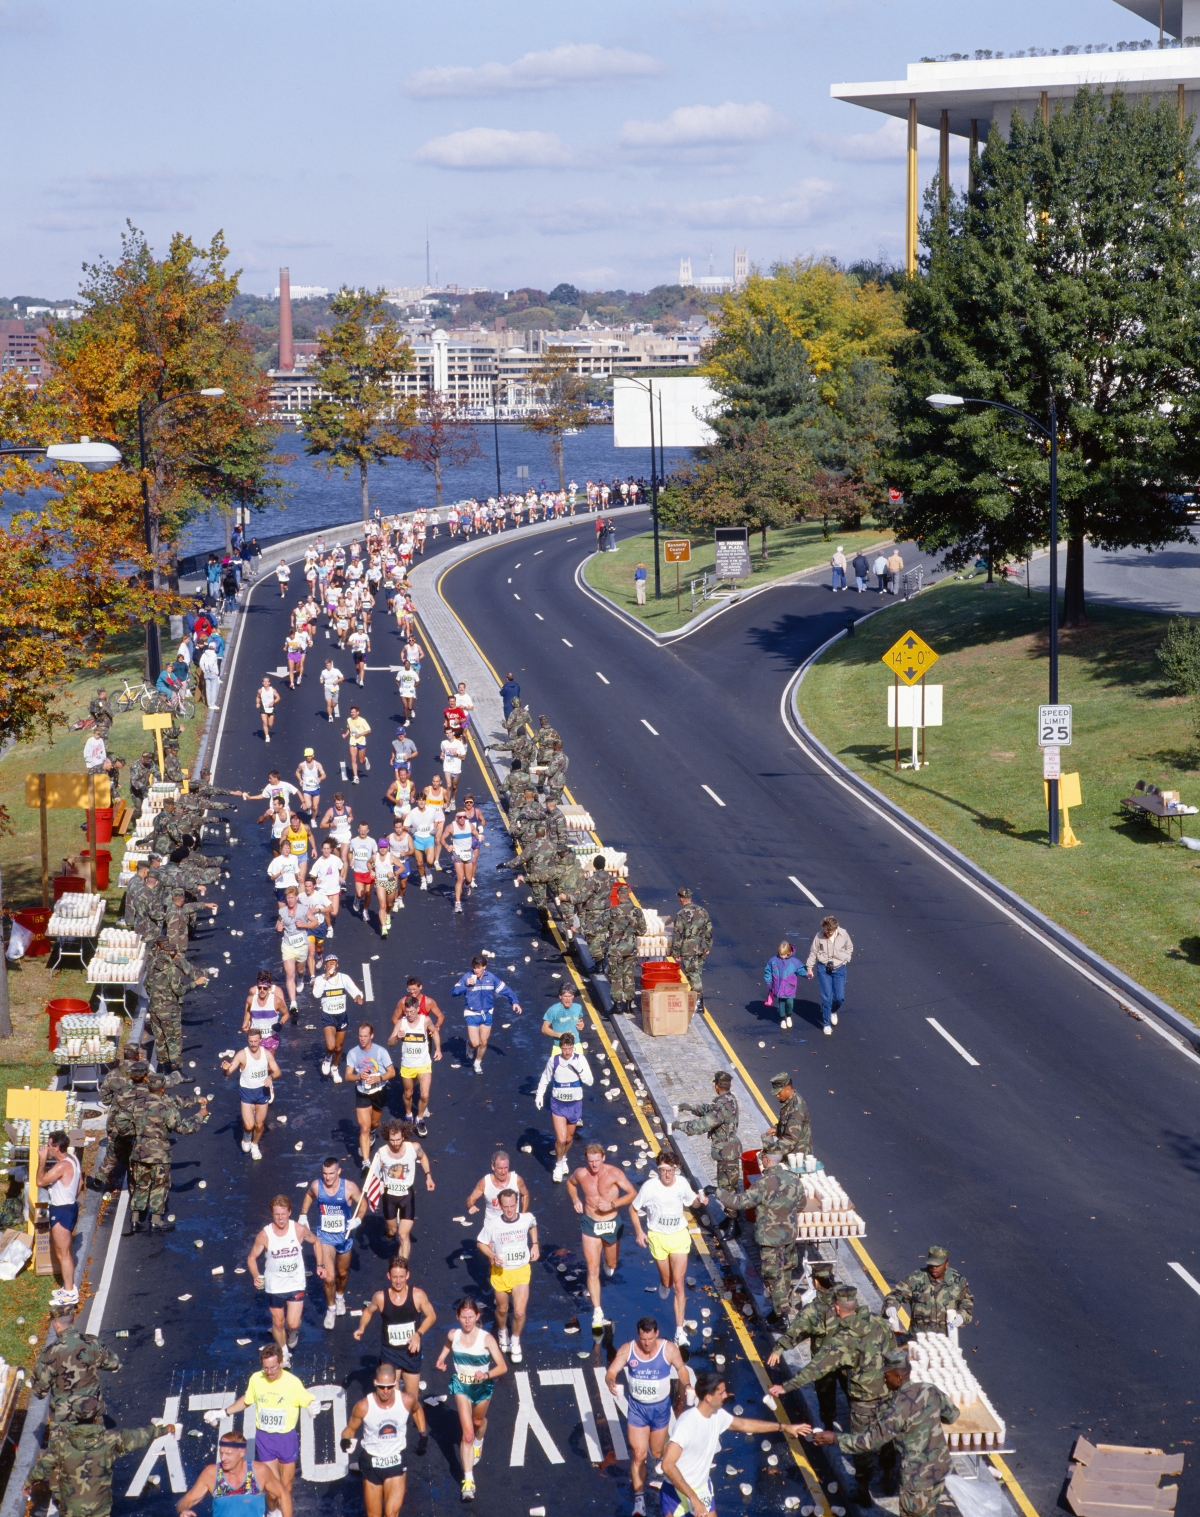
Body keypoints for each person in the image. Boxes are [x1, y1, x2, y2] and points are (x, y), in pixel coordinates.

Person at [770, 1284, 897, 1505]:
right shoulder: (879, 1324)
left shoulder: (843, 1338)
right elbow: (894, 1356)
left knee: (861, 1445)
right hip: (886, 1394)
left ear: (837, 1307)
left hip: (863, 1400)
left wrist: (786, 1386)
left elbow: (816, 1368)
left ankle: (864, 1490)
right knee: (887, 1437)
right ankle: (889, 1477)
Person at [812, 1346, 959, 1515]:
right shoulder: (929, 1389)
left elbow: (871, 1441)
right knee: (930, 1511)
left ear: (898, 1376)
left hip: (916, 1478)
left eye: (886, 1375)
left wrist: (835, 1438)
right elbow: (952, 1415)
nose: (883, 1379)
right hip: (940, 1468)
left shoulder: (897, 1409)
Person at [661, 1370, 810, 1517]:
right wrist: (693, 1498)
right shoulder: (687, 1423)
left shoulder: (717, 1416)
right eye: (721, 1393)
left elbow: (745, 1425)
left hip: (702, 1489)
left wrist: (784, 1427)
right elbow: (667, 1465)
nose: (726, 1396)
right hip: (677, 1492)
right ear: (708, 1397)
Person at [606, 1318, 692, 1517]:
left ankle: (668, 1461)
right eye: (644, 1339)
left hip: (660, 1410)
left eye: (651, 1338)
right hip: (637, 1410)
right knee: (638, 1455)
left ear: (657, 1333)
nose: (647, 1344)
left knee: (656, 1451)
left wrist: (687, 1385)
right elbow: (611, 1371)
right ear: (638, 1334)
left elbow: (681, 1369)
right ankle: (639, 1501)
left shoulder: (668, 1349)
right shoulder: (628, 1350)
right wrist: (611, 1382)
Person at [29, 1403, 176, 1517]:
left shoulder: (61, 1444)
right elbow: (138, 1437)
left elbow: (43, 1466)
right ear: (95, 1419)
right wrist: (162, 1430)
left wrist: (28, 1482)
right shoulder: (109, 1439)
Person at [354, 1257, 435, 1456]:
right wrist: (361, 1328)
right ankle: (393, 1435)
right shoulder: (381, 1297)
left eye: (402, 1277)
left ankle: (423, 1435)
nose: (398, 1281)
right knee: (389, 1396)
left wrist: (418, 1334)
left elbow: (431, 1316)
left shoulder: (417, 1295)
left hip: (410, 1353)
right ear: (388, 1276)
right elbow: (368, 1312)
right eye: (394, 1277)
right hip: (389, 1354)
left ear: (407, 1275)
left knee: (412, 1399)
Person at [719, 1139, 804, 1321]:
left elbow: (740, 1202)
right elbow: (801, 1204)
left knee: (773, 1277)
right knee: (787, 1270)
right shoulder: (794, 1179)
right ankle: (783, 1306)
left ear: (766, 1160)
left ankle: (781, 1317)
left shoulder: (764, 1183)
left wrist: (718, 1193)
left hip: (770, 1239)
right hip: (789, 1235)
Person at [435, 1296, 507, 1503]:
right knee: (467, 1435)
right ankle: (468, 1480)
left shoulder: (486, 1339)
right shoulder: (453, 1334)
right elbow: (448, 1345)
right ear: (458, 1317)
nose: (467, 1321)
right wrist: (441, 1359)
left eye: (471, 1317)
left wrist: (486, 1375)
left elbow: (502, 1366)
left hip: (483, 1387)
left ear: (477, 1316)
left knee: (478, 1423)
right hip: (461, 1386)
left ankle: (480, 1439)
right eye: (463, 1317)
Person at [218, 1343, 315, 1496]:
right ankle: (272, 1512)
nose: (269, 1372)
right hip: (265, 1439)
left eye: (273, 1368)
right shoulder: (256, 1379)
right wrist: (225, 1413)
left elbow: (307, 1399)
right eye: (265, 1368)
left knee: (286, 1486)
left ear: (281, 1363)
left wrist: (312, 1406)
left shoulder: (293, 1382)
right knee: (272, 1487)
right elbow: (247, 1400)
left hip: (286, 1440)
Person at [567, 1140, 639, 1328]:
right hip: (590, 1224)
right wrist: (575, 1199)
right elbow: (570, 1183)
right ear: (586, 1160)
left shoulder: (614, 1173)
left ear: (603, 1158)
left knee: (611, 1263)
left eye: (597, 1161)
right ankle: (597, 1312)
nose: (594, 1165)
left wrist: (612, 1204)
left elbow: (632, 1193)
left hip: (610, 1223)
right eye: (591, 1161)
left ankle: (610, 1263)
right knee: (592, 1268)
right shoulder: (581, 1174)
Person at [631, 1150, 698, 1345]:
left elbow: (691, 1201)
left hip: (679, 1236)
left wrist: (700, 1200)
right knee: (668, 1282)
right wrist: (639, 1232)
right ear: (658, 1170)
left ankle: (679, 1332)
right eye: (663, 1170)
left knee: (679, 1284)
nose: (667, 1175)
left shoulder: (682, 1183)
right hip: (657, 1237)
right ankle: (663, 1283)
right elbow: (633, 1209)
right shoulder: (650, 1187)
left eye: (671, 1170)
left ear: (675, 1170)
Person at [247, 1199, 319, 1366]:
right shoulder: (264, 1235)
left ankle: (293, 1332)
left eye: (283, 1214)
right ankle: (284, 1353)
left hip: (295, 1283)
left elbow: (316, 1242)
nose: (280, 1218)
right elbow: (251, 1258)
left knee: (292, 1323)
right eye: (276, 1214)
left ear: (289, 1212)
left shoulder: (298, 1230)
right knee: (278, 1322)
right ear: (272, 1214)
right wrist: (256, 1276)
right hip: (275, 1286)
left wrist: (320, 1264)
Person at [340, 1361, 416, 1516]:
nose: (386, 1391)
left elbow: (418, 1410)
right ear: (374, 1383)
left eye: (390, 1387)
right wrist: (345, 1441)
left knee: (391, 1513)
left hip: (395, 1460)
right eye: (382, 1386)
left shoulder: (406, 1400)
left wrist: (423, 1435)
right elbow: (349, 1430)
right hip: (372, 1463)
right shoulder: (363, 1406)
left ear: (395, 1383)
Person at [31, 1301, 121, 1427]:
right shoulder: (93, 1342)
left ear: (56, 1324)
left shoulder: (50, 1353)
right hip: (93, 1413)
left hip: (65, 1420)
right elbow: (114, 1363)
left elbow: (39, 1390)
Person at [300, 1156, 363, 1330]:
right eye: (324, 1173)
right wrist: (303, 1214)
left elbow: (363, 1203)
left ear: (339, 1171)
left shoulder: (348, 1187)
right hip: (325, 1237)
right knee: (329, 1277)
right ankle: (331, 1309)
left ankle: (340, 1296)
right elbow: (309, 1195)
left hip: (344, 1236)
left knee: (342, 1273)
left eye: (331, 1174)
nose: (327, 1177)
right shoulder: (317, 1186)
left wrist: (357, 1219)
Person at [476, 1188, 538, 1364]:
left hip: (520, 1271)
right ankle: (503, 1331)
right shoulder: (493, 1224)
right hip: (501, 1273)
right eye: (506, 1207)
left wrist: (535, 1244)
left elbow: (533, 1225)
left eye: (512, 1206)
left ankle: (516, 1340)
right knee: (502, 1309)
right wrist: (492, 1256)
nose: (510, 1210)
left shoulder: (526, 1218)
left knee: (519, 1312)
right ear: (500, 1206)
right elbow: (480, 1243)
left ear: (517, 1203)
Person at [177, 1430, 290, 1517]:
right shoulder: (211, 1474)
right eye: (221, 1453)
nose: (223, 1458)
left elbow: (283, 1494)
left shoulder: (259, 1471)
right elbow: (186, 1500)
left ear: (242, 1453)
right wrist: (183, 1510)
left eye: (229, 1454)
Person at [372, 1119, 435, 1260]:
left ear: (404, 1136)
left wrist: (428, 1176)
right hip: (389, 1197)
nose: (395, 1143)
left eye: (398, 1139)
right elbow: (374, 1175)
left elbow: (423, 1157)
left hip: (407, 1196)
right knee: (392, 1230)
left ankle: (403, 1266)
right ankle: (388, 1232)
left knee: (403, 1235)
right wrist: (375, 1193)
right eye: (392, 1140)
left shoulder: (414, 1148)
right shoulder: (382, 1153)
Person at [535, 1031, 593, 1182]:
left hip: (574, 1104)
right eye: (564, 1048)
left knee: (568, 1138)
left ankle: (564, 1157)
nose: (567, 1052)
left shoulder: (580, 1059)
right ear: (560, 1047)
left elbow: (590, 1081)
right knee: (560, 1139)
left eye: (570, 1048)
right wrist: (540, 1094)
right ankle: (559, 1165)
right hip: (558, 1104)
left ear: (574, 1047)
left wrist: (579, 1069)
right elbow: (545, 1078)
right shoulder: (553, 1061)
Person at [673, 1071, 742, 1197]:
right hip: (730, 1149)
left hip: (726, 1151)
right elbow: (710, 1109)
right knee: (729, 1185)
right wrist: (691, 1108)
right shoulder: (729, 1100)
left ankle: (732, 1216)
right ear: (730, 1086)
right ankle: (732, 1214)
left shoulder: (722, 1105)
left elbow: (703, 1124)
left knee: (726, 1188)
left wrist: (680, 1126)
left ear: (716, 1086)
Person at [451, 955, 522, 1074]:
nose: (476, 970)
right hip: (472, 1013)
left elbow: (506, 990)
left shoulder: (492, 978)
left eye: (478, 967)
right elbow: (454, 992)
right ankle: (469, 1045)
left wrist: (514, 1002)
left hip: (487, 1013)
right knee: (475, 1042)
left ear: (484, 966)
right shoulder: (467, 977)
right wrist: (465, 985)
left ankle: (477, 1062)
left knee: (483, 1042)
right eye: (474, 967)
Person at [884, 1246, 974, 1338]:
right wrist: (892, 1306)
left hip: (946, 1339)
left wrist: (962, 1316)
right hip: (918, 1338)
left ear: (946, 1264)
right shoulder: (915, 1279)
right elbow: (895, 1296)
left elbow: (966, 1301)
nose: (934, 1269)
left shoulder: (957, 1281)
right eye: (931, 1265)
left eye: (938, 1266)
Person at [222, 1028, 281, 1160]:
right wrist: (225, 1070)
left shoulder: (266, 1054)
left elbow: (277, 1071)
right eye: (251, 1041)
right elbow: (229, 1071)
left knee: (259, 1124)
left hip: (262, 1092)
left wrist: (270, 1077)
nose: (253, 1044)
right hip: (247, 1093)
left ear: (260, 1040)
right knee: (249, 1125)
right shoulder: (242, 1055)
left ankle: (255, 1145)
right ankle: (247, 1136)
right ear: (247, 1040)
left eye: (256, 1041)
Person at [36, 1132, 81, 1306]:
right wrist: (70, 1197)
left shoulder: (62, 1166)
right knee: (65, 1251)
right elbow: (80, 1183)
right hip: (69, 1207)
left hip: (61, 1210)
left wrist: (42, 1160)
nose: (47, 1148)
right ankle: (67, 1287)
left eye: (49, 1145)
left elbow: (40, 1181)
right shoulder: (73, 1159)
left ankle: (69, 1292)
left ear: (56, 1147)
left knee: (63, 1253)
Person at [345, 1021, 396, 1170]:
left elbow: (391, 1072)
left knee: (373, 1124)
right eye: (360, 1036)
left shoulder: (381, 1052)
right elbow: (348, 1076)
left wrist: (378, 1078)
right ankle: (366, 1162)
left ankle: (373, 1132)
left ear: (371, 1036)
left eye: (365, 1036)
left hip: (379, 1092)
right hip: (362, 1094)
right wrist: (359, 1076)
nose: (362, 1039)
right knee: (364, 1128)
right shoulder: (353, 1053)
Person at [388, 993, 441, 1134]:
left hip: (423, 1064)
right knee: (408, 1093)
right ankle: (409, 1115)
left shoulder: (425, 1021)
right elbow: (390, 1042)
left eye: (412, 1012)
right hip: (407, 1065)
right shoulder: (401, 1023)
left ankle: (419, 1119)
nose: (409, 1015)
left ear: (417, 1009)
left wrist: (438, 1050)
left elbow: (435, 1032)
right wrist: (396, 1038)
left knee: (424, 1095)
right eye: (407, 1012)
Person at [313, 952, 364, 1080]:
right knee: (331, 1046)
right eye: (329, 962)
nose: (331, 964)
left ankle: (335, 1069)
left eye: (334, 962)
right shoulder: (320, 979)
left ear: (337, 965)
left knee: (338, 1047)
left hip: (341, 1016)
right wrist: (325, 977)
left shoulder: (344, 978)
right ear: (325, 966)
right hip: (328, 1016)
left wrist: (358, 996)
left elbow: (355, 990)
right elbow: (316, 994)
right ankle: (327, 1058)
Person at [805, 915, 854, 1036]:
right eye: (825, 932)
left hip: (839, 969)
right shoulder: (819, 936)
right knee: (826, 997)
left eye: (830, 932)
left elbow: (849, 948)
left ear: (835, 929)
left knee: (839, 998)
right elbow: (813, 952)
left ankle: (833, 1011)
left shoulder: (843, 934)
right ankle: (826, 1024)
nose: (827, 934)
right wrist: (809, 968)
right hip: (823, 969)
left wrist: (846, 959)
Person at [672, 888, 712, 1006]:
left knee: (692, 974)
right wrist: (708, 945)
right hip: (701, 947)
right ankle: (695, 996)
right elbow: (708, 930)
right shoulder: (702, 911)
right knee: (697, 973)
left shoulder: (681, 915)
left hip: (688, 949)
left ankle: (699, 1002)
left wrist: (676, 952)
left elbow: (678, 935)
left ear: (681, 899)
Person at [465, 1150, 530, 1218]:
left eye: (506, 1168)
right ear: (493, 1167)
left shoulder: (516, 1180)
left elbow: (525, 1194)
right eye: (500, 1168)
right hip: (492, 1225)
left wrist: (523, 1215)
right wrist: (471, 1206)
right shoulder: (485, 1182)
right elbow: (470, 1199)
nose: (503, 1172)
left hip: (512, 1225)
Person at [765, 1070, 812, 1161]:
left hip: (797, 1158)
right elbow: (786, 1123)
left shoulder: (797, 1110)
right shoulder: (789, 1102)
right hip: (790, 1154)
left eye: (779, 1093)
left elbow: (790, 1140)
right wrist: (777, 1129)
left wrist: (770, 1150)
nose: (777, 1096)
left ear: (788, 1089)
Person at [763, 940, 805, 1030]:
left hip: (790, 988)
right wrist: (769, 982)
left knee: (790, 1002)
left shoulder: (795, 961)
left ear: (789, 952)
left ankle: (788, 1016)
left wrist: (806, 974)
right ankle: (782, 1019)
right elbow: (768, 971)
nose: (782, 956)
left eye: (784, 954)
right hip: (778, 987)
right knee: (781, 1003)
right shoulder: (773, 961)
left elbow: (801, 969)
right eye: (780, 954)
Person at [540, 984, 584, 1048]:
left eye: (570, 996)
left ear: (573, 996)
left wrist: (581, 1024)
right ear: (560, 996)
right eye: (565, 996)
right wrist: (561, 1035)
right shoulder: (553, 1010)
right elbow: (544, 1029)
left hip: (576, 1044)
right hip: (560, 1046)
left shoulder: (578, 1007)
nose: (568, 999)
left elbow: (579, 1019)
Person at [343, 705, 371, 784]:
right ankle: (356, 777)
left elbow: (369, 730)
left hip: (361, 741)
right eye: (351, 712)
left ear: (357, 712)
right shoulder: (349, 720)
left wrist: (360, 734)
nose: (352, 713)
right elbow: (349, 728)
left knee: (361, 760)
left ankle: (366, 760)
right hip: (352, 741)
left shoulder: (362, 721)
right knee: (353, 758)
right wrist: (345, 734)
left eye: (354, 712)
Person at [295, 750, 326, 821]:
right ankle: (308, 808)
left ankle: (313, 819)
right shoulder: (302, 765)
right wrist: (300, 780)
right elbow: (297, 772)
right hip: (307, 789)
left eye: (309, 756)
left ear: (313, 755)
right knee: (308, 805)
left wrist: (320, 778)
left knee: (315, 807)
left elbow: (324, 775)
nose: (308, 757)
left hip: (316, 788)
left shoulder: (317, 764)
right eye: (306, 756)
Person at [199, 640, 222, 707]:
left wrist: (204, 670)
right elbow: (210, 664)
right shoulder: (214, 655)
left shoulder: (204, 653)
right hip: (212, 673)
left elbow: (201, 663)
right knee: (213, 689)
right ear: (214, 648)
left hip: (206, 673)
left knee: (208, 689)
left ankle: (209, 704)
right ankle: (212, 704)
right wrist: (212, 670)